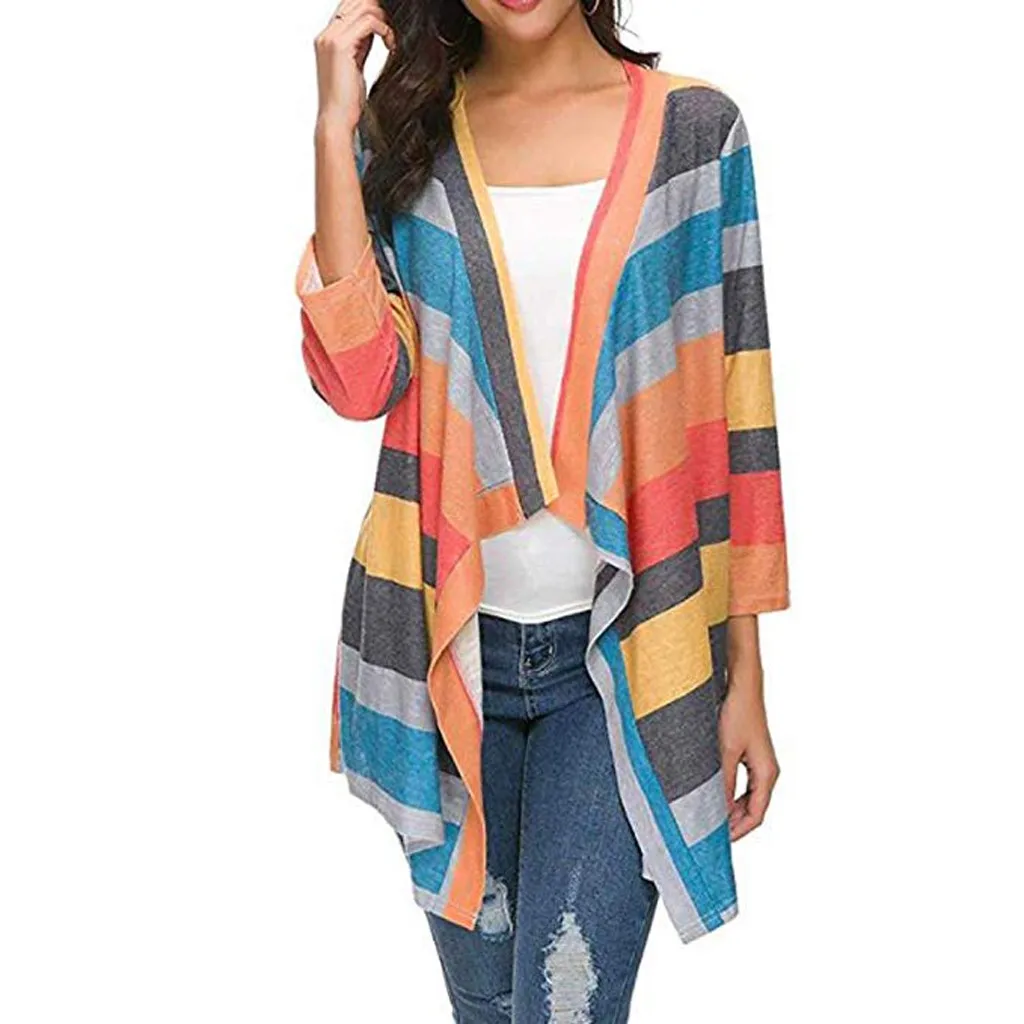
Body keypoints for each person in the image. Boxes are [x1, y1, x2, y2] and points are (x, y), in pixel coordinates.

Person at [296, 0, 790, 1019]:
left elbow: (733, 402)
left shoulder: (696, 133)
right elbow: (357, 380)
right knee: (488, 1010)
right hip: (445, 651)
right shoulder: (408, 134)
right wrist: (334, 130)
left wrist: (745, 670)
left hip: (626, 654)